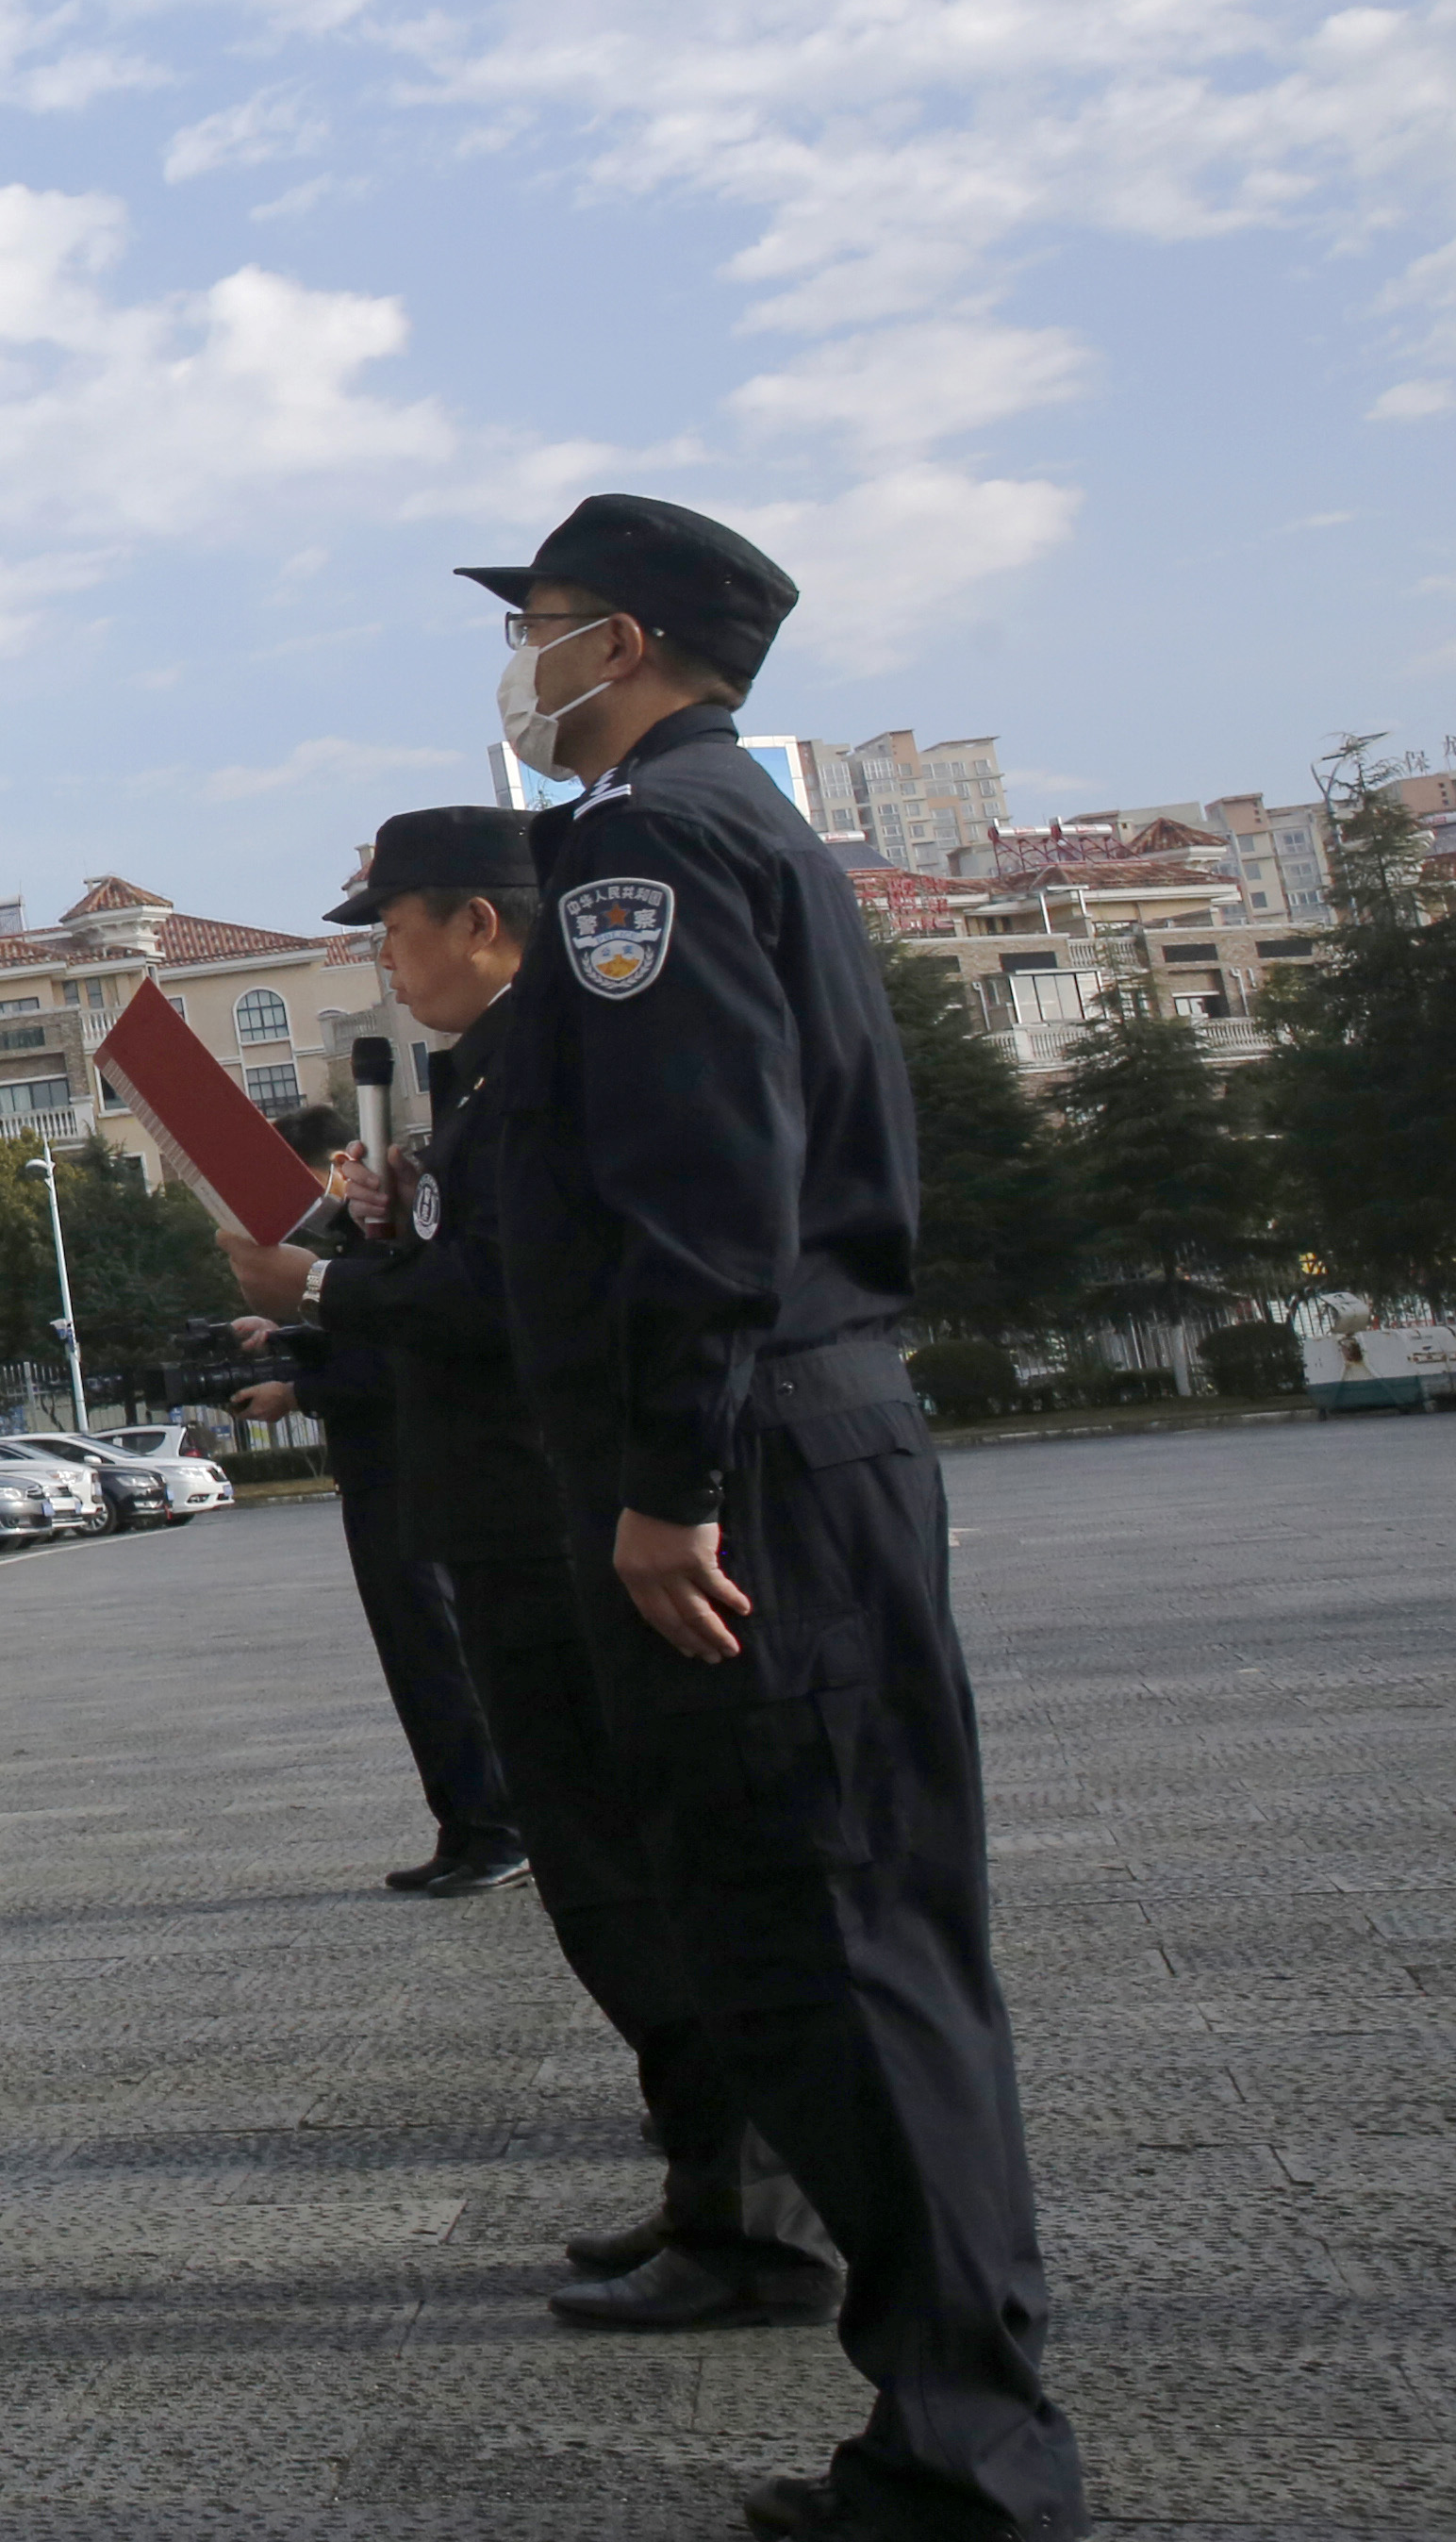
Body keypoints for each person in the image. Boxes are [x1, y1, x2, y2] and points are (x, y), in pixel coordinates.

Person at [465, 492, 1087, 2542]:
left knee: (826, 1945)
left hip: (743, 1482)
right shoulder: (739, 830)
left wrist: (664, 1488)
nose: (520, 666)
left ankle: (972, 2462)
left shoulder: (646, 845)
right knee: (876, 1946)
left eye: (539, 626)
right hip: (811, 1446)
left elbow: (703, 1194)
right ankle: (958, 2425)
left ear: (619, 639)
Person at [280, 806, 837, 2339]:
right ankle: (710, 2190)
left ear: (478, 920)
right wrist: (391, 1236)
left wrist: (326, 1281)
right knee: (605, 1879)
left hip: (558, 1518)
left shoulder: (548, 1055)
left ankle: (756, 2217)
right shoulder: (487, 1074)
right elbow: (486, 1264)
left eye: (391, 931)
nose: (384, 966)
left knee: (648, 1879)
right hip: (519, 1519)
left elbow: (516, 1300)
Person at [229, 1095, 523, 1901]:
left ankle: (499, 1826)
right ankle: (464, 1826)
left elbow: (403, 1357)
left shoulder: (389, 1236)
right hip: (377, 1474)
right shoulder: (352, 1243)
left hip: (413, 1470)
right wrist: (291, 1340)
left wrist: (298, 1390)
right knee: (414, 1662)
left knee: (441, 1655)